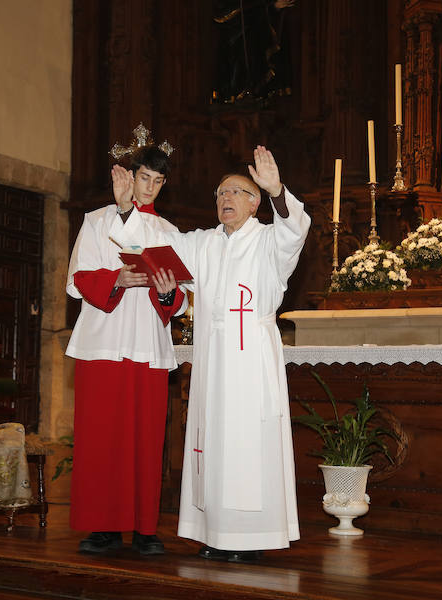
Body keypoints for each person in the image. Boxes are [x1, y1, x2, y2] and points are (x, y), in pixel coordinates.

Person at [166, 145, 310, 562]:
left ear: (254, 202)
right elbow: (163, 242)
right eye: (218, 194)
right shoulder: (203, 244)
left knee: (248, 442)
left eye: (234, 192)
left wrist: (278, 190)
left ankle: (251, 538)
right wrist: (133, 203)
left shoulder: (268, 240)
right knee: (212, 441)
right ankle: (215, 533)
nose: (224, 199)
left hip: (250, 361)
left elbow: (295, 229)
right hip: (212, 361)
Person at [65, 145, 185, 556]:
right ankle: (103, 527)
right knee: (101, 437)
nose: (150, 187)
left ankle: (144, 528)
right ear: (129, 176)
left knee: (146, 439)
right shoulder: (97, 221)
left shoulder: (170, 232)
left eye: (158, 181)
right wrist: (116, 280)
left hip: (148, 343)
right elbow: (80, 276)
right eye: (144, 177)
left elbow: (181, 297)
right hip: (103, 341)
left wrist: (169, 295)